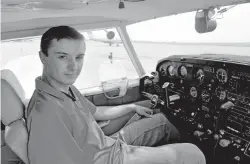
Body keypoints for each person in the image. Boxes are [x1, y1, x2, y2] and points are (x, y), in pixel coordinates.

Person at [26, 26, 206, 164]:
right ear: (43, 57)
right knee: (193, 153)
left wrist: (132, 107)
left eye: (79, 57)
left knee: (161, 122)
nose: (74, 67)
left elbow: (96, 112)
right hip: (110, 159)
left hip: (108, 144)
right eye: (62, 57)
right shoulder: (45, 113)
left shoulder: (65, 89)